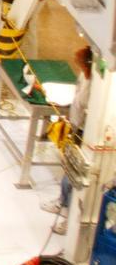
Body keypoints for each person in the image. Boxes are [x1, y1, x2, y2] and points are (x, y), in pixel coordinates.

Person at [42, 45, 94, 234]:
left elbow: (85, 103)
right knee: (68, 172)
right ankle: (63, 203)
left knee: (73, 179)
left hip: (87, 135)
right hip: (77, 127)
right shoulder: (85, 77)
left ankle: (69, 219)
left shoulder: (96, 83)